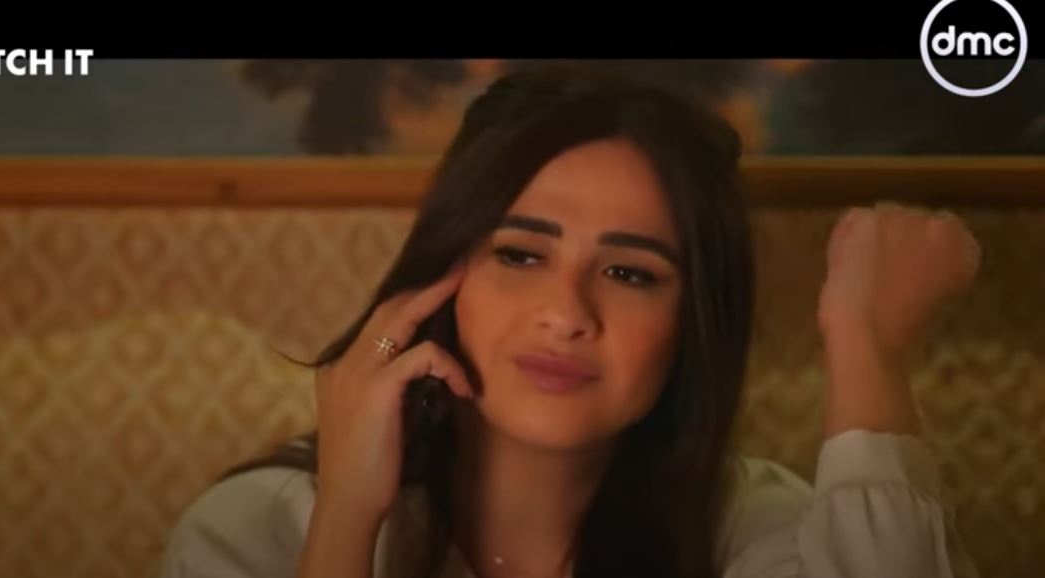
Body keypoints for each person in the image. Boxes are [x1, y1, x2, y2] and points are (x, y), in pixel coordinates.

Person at [157, 64, 982, 578]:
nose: (566, 314)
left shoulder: (753, 529)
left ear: (692, 320)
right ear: (442, 277)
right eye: (520, 255)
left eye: (629, 273)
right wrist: (345, 515)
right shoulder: (258, 529)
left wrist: (866, 343)